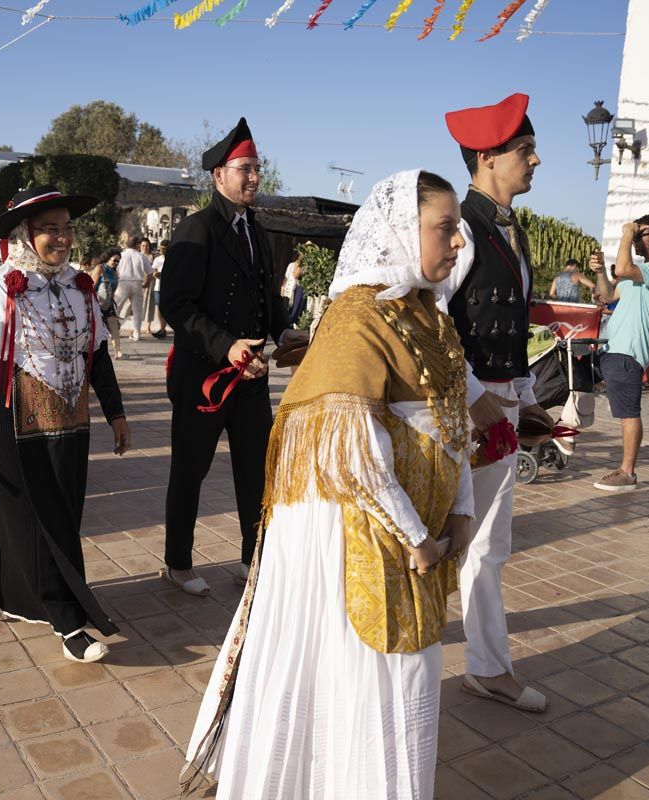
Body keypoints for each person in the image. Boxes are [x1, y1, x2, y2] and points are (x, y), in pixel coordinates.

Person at [182, 171, 473, 799]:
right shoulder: (358, 319)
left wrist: (463, 509)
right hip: (365, 533)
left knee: (397, 677)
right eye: (445, 228)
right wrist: (418, 536)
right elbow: (351, 447)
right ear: (400, 231)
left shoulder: (426, 313)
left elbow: (452, 415)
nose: (458, 243)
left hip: (411, 528)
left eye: (457, 229)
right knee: (373, 676)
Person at [0, 185, 130, 663]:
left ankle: (13, 591)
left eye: (67, 229)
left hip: (69, 419)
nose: (62, 238)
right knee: (32, 516)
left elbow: (98, 357)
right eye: (51, 230)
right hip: (9, 423)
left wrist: (116, 412)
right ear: (27, 234)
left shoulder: (79, 288)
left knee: (63, 514)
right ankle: (67, 621)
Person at [442, 92, 554, 711]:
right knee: (451, 538)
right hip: (461, 410)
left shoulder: (511, 229)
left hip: (500, 406)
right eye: (525, 150)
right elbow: (428, 325)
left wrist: (528, 398)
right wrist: (477, 394)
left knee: (488, 542)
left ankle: (486, 666)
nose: (536, 160)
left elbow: (509, 328)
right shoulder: (459, 227)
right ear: (488, 157)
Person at [159, 117, 293, 595]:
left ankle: (251, 558)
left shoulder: (258, 232)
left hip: (252, 377)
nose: (254, 177)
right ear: (219, 176)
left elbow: (268, 300)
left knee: (256, 471)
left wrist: (289, 334)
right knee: (190, 470)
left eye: (257, 168)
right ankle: (177, 563)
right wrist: (225, 345)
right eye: (245, 169)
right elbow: (175, 305)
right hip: (204, 375)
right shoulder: (197, 229)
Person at [589, 215, 649, 491]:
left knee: (629, 413)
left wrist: (626, 232)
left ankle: (628, 473)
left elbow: (624, 268)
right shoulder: (637, 272)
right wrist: (601, 271)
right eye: (634, 236)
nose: (635, 240)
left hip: (629, 351)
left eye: (640, 235)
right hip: (611, 347)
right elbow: (608, 296)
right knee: (573, 384)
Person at [114, 237, 151, 342]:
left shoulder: (121, 255)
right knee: (137, 310)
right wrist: (147, 283)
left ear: (126, 244)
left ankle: (113, 331)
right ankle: (137, 334)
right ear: (137, 245)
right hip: (137, 282)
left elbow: (116, 270)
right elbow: (149, 272)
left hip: (123, 282)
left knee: (116, 307)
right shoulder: (141, 256)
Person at [149, 240, 168, 337]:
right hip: (158, 287)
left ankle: (164, 328)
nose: (162, 251)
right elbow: (154, 271)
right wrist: (155, 273)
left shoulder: (172, 259)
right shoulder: (157, 259)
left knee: (167, 308)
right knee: (159, 308)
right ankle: (162, 328)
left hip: (168, 287)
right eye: (161, 248)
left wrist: (163, 274)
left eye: (164, 249)